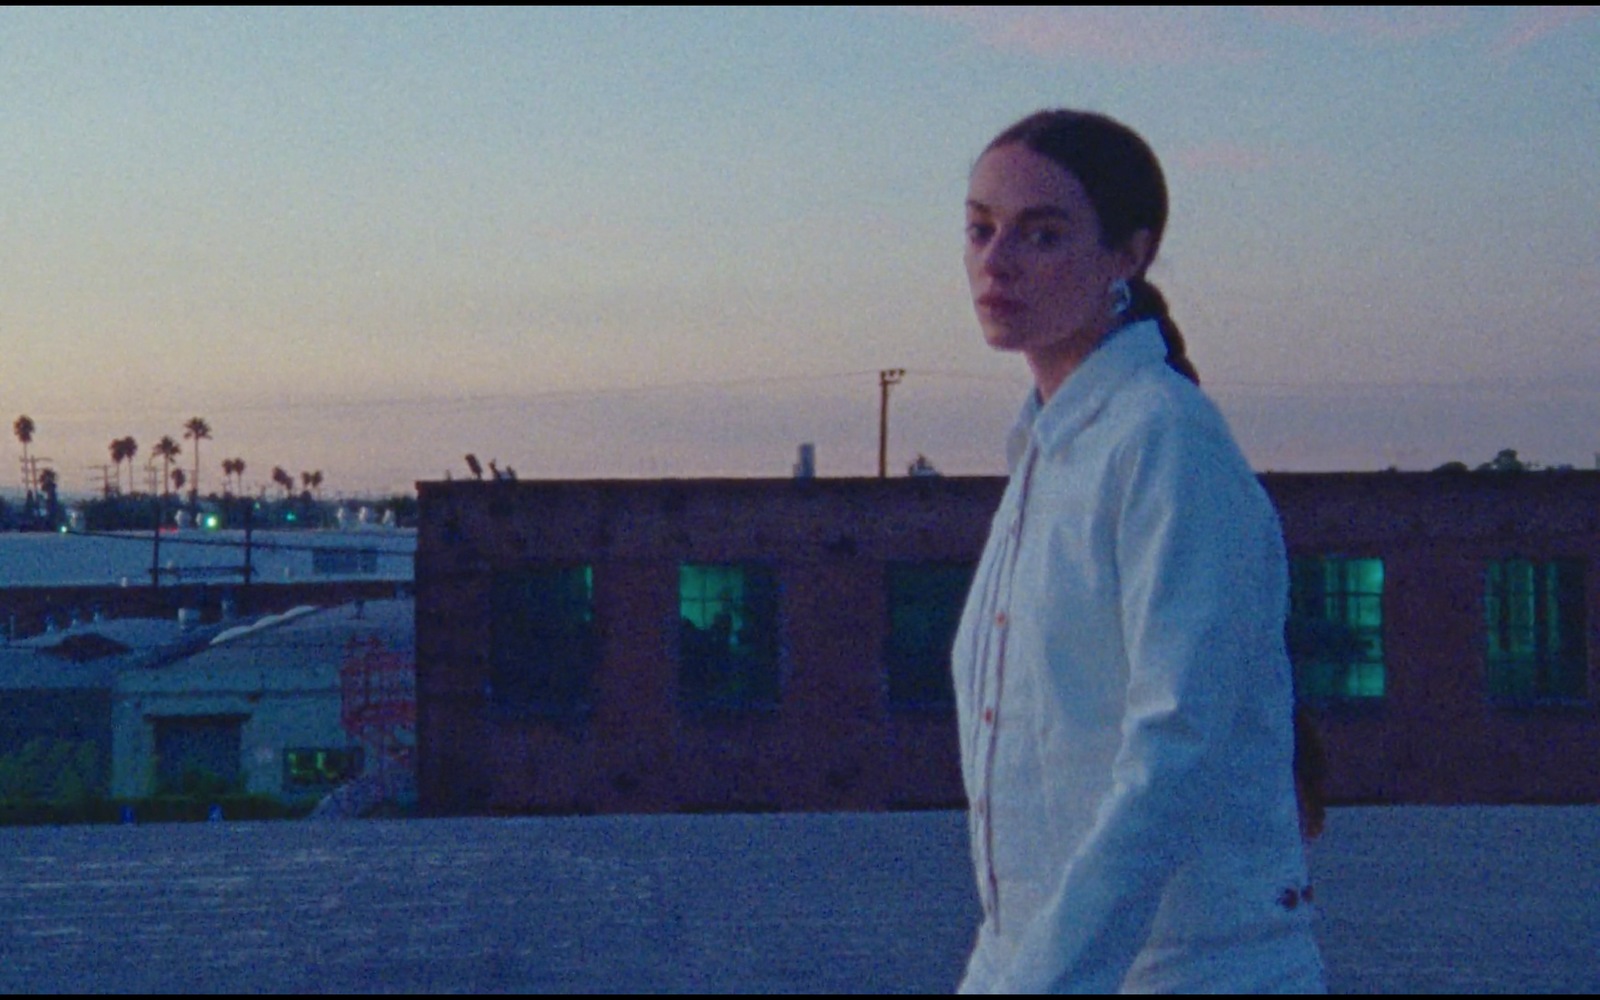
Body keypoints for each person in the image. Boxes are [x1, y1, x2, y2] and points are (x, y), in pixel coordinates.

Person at [952, 109, 1326, 993]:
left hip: (1196, 972)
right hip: (1050, 966)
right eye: (979, 229)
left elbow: (1176, 751)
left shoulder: (1165, 441)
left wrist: (1037, 978)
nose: (995, 262)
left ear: (1130, 253)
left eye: (1041, 234)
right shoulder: (1045, 455)